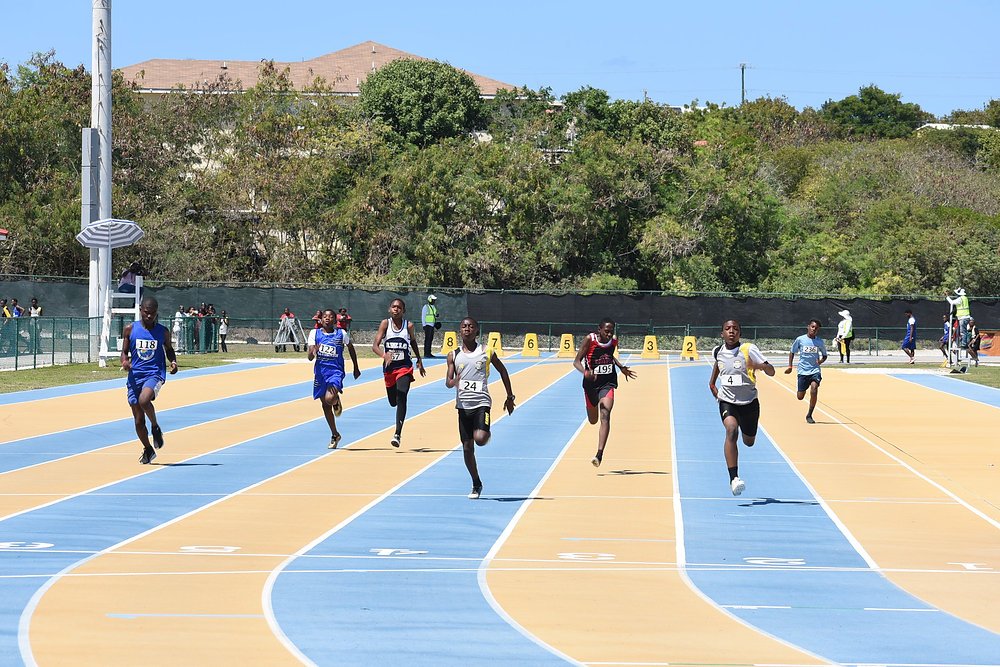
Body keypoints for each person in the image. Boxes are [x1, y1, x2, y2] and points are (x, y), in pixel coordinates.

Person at [445, 317, 516, 499]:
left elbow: (503, 370)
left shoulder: (486, 352)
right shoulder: (453, 355)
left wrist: (510, 396)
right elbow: (448, 382)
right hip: (462, 406)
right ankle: (476, 482)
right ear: (460, 331)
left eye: (471, 326)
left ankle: (485, 432)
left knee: (480, 438)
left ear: (477, 331)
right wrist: (455, 381)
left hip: (481, 403)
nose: (467, 329)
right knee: (467, 448)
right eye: (464, 326)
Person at [709, 319, 775, 496]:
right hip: (727, 400)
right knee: (731, 430)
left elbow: (772, 371)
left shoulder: (749, 349)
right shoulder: (717, 351)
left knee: (749, 442)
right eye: (727, 329)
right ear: (722, 333)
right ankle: (734, 478)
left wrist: (758, 365)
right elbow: (719, 364)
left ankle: (748, 435)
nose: (731, 331)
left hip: (749, 403)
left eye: (735, 329)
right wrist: (712, 383)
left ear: (740, 333)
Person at [120, 296, 178, 465]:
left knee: (144, 400)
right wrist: (124, 362)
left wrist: (173, 362)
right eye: (146, 313)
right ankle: (148, 448)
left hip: (154, 374)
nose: (149, 316)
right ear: (140, 310)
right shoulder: (130, 330)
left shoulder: (162, 331)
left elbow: (169, 349)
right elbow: (124, 352)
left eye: (152, 313)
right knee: (138, 420)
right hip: (134, 376)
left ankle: (155, 427)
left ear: (156, 312)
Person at [573, 318, 637, 468]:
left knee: (605, 414)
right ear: (599, 330)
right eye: (606, 331)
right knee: (593, 420)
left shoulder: (613, 341)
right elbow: (576, 361)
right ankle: (592, 406)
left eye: (611, 331)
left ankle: (599, 454)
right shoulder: (590, 339)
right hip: (590, 384)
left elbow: (609, 355)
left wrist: (621, 367)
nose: (609, 334)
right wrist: (585, 372)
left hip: (607, 383)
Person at [372, 298, 426, 447]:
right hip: (389, 368)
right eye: (394, 307)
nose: (396, 309)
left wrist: (419, 360)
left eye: (399, 307)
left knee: (402, 394)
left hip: (404, 366)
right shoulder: (385, 324)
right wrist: (384, 355)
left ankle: (397, 433)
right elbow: (375, 346)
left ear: (403, 311)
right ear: (390, 309)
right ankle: (394, 395)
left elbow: (413, 341)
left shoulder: (408, 326)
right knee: (393, 401)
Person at [308, 308, 361, 449]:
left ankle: (336, 400)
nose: (327, 318)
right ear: (321, 319)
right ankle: (335, 434)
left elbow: (351, 348)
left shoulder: (341, 334)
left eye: (330, 316)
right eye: (325, 316)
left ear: (334, 320)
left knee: (329, 399)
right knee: (325, 405)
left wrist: (356, 366)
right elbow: (309, 357)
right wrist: (314, 351)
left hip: (335, 372)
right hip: (320, 374)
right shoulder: (315, 333)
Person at [785, 319, 828, 424]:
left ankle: (809, 414)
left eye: (816, 328)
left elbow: (825, 355)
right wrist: (790, 366)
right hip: (803, 371)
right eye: (813, 327)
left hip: (814, 370)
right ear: (808, 327)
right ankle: (804, 387)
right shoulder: (800, 340)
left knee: (814, 389)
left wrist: (820, 361)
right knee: (800, 397)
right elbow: (792, 352)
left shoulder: (819, 342)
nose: (814, 329)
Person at [421, 294, 440, 359]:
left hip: (432, 325)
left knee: (430, 339)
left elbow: (433, 315)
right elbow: (423, 316)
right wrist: (424, 325)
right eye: (433, 299)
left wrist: (436, 316)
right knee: (427, 340)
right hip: (427, 325)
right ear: (430, 299)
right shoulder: (426, 307)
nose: (434, 301)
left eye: (434, 300)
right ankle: (426, 353)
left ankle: (429, 352)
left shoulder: (433, 307)